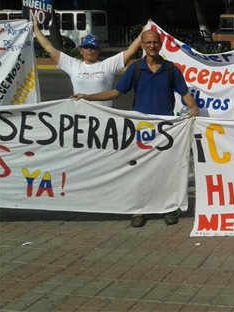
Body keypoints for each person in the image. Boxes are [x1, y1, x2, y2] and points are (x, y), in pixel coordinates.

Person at [72, 30, 199, 228]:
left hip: (165, 131)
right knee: (140, 170)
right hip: (140, 130)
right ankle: (139, 209)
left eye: (155, 42)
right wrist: (89, 97)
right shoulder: (135, 69)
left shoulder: (171, 69)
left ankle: (168, 208)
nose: (152, 46)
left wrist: (193, 107)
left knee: (165, 170)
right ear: (142, 45)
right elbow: (115, 93)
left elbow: (184, 93)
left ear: (161, 45)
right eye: (148, 42)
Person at [33, 22, 142, 107]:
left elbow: (131, 50)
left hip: (105, 115)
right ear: (81, 50)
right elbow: (50, 49)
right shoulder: (73, 65)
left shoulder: (107, 65)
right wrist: (36, 29)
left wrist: (145, 30)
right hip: (81, 117)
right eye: (86, 47)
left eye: (93, 47)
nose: (89, 50)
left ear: (98, 50)